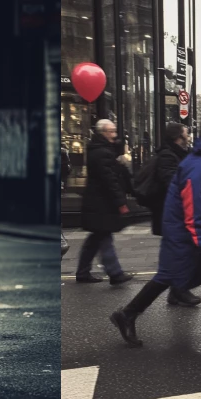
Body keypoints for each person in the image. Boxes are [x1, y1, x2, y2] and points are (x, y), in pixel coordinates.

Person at [109, 117, 201, 348]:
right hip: (184, 234)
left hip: (189, 232)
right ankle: (127, 314)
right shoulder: (198, 166)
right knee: (167, 276)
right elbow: (194, 207)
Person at [145, 122, 200, 307]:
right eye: (186, 133)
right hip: (170, 213)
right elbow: (172, 182)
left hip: (176, 213)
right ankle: (130, 312)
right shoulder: (168, 156)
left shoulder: (179, 153)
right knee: (175, 259)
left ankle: (178, 292)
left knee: (180, 256)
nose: (189, 135)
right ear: (179, 137)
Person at [75, 119, 133, 286]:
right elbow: (110, 180)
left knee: (95, 239)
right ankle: (115, 273)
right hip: (101, 203)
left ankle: (82, 272)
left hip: (97, 201)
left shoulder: (100, 149)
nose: (114, 135)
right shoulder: (102, 152)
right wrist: (121, 202)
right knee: (104, 237)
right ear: (103, 133)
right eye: (111, 132)